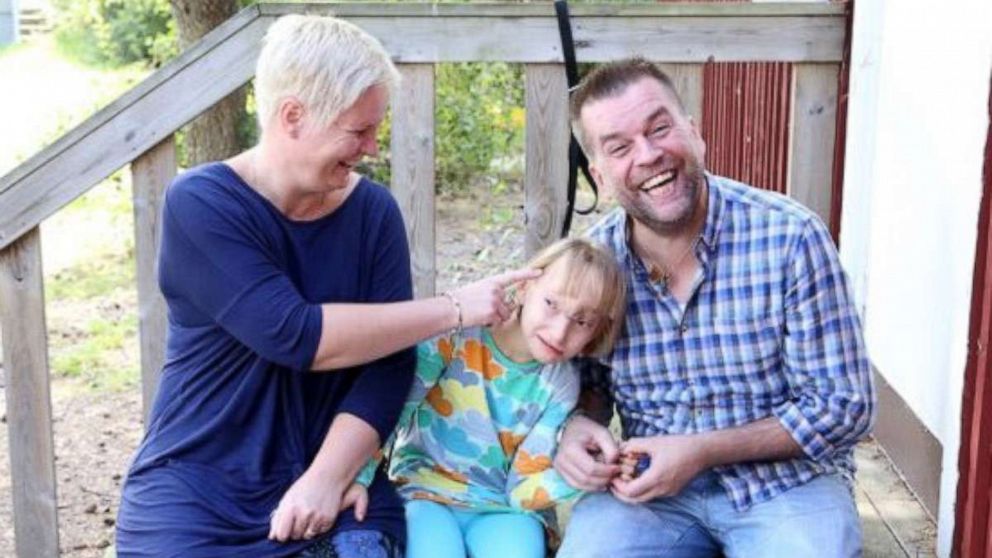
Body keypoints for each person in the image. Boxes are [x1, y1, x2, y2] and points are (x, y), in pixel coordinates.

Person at [115, 15, 536, 558]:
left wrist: (326, 477)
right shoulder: (201, 203)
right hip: (198, 489)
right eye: (358, 130)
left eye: (374, 129)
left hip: (341, 480)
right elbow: (294, 335)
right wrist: (454, 308)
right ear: (294, 116)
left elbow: (388, 366)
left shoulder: (372, 211)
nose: (370, 147)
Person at [552, 58, 876, 558]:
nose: (649, 154)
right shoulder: (596, 265)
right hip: (648, 493)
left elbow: (844, 405)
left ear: (695, 133)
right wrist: (577, 428)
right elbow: (589, 389)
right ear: (599, 173)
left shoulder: (789, 237)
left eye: (660, 129)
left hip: (788, 485)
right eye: (619, 148)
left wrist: (702, 450)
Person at [348, 238, 626, 558]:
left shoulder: (560, 384)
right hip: (424, 492)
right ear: (524, 288)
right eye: (551, 304)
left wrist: (583, 476)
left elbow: (520, 492)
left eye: (582, 321)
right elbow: (393, 410)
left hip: (501, 509)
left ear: (596, 332)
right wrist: (357, 476)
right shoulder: (457, 334)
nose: (560, 331)